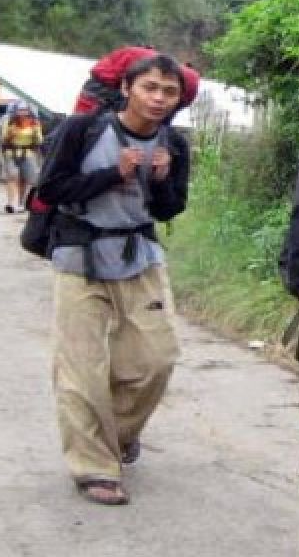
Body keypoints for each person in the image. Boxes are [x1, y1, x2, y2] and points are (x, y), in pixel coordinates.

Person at [35, 53, 191, 506]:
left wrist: (160, 180)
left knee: (155, 360)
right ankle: (93, 467)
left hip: (139, 254)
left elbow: (170, 209)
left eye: (169, 92)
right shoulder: (82, 131)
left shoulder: (174, 144)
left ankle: (117, 435)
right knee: (81, 367)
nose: (159, 99)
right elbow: (50, 190)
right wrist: (112, 174)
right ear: (127, 89)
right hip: (78, 255)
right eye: (150, 88)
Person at [0, 101, 43, 213]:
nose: (22, 112)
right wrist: (10, 133)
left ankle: (22, 203)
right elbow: (3, 139)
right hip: (11, 153)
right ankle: (10, 203)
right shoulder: (9, 122)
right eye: (20, 110)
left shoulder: (34, 123)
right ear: (15, 110)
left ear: (29, 111)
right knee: (13, 176)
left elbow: (39, 140)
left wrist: (36, 132)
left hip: (27, 153)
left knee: (26, 180)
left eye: (25, 110)